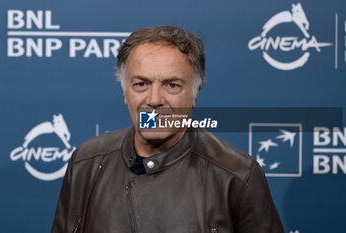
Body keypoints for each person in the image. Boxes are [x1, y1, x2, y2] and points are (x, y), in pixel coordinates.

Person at [51, 25, 284, 233]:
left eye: (171, 85)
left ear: (194, 93)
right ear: (125, 92)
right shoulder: (86, 163)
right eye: (141, 84)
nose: (154, 100)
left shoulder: (237, 175)